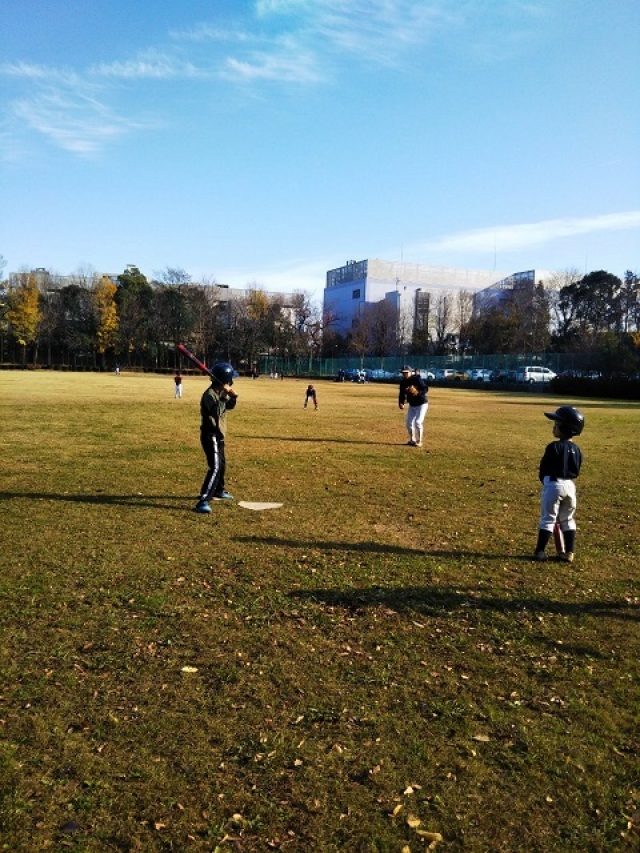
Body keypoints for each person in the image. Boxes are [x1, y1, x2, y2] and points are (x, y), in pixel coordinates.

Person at [533, 405, 585, 562]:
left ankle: (540, 551)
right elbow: (576, 470)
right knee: (568, 519)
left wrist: (545, 482)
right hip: (570, 486)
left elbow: (544, 468)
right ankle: (569, 552)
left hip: (553, 484)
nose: (554, 427)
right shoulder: (577, 450)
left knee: (548, 519)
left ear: (565, 428)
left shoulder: (553, 447)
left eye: (556, 424)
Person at [194, 362, 238, 514]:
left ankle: (219, 490)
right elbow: (217, 411)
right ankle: (203, 500)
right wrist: (225, 395)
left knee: (222, 465)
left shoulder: (219, 392)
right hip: (210, 434)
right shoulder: (210, 395)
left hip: (219, 435)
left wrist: (233, 397)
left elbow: (228, 407)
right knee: (215, 467)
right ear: (226, 380)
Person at [398, 366, 429, 447]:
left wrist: (418, 392)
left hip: (422, 404)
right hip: (412, 404)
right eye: (403, 373)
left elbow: (426, 388)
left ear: (410, 372)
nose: (404, 374)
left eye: (406, 372)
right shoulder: (403, 382)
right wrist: (401, 402)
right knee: (408, 423)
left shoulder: (416, 379)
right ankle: (412, 440)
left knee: (418, 422)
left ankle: (419, 441)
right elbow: (401, 394)